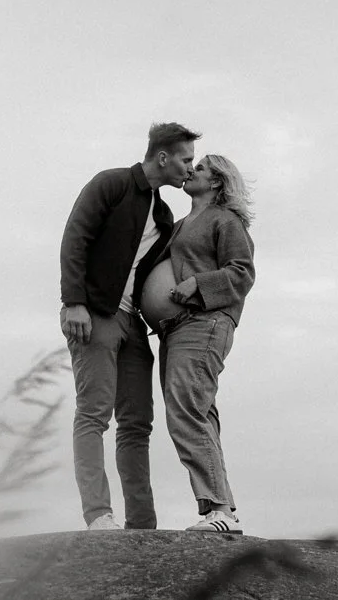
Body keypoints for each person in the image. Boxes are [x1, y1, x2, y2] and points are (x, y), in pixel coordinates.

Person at [59, 122, 199, 531]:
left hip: (132, 323)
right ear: (162, 157)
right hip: (95, 313)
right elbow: (75, 239)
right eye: (185, 159)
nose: (190, 169)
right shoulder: (111, 184)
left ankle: (142, 525)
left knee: (137, 422)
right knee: (93, 414)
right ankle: (99, 515)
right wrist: (74, 303)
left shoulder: (163, 212)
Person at [153, 154, 255, 534]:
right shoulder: (181, 225)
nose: (191, 170)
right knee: (198, 410)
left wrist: (199, 283)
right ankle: (223, 507)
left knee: (186, 411)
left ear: (216, 181)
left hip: (206, 322)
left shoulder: (225, 221)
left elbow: (242, 272)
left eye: (200, 168)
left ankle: (218, 511)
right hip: (176, 327)